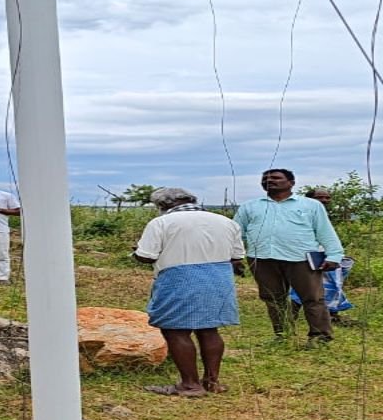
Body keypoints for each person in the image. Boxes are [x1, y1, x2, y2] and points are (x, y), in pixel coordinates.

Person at [133, 187, 245, 397]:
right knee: (210, 329)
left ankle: (190, 385)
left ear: (163, 205)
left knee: (176, 330)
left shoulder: (161, 222)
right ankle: (212, 381)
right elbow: (236, 256)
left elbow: (146, 256)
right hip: (218, 276)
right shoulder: (225, 221)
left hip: (179, 277)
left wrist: (136, 252)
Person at [233, 169, 344, 346]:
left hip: (301, 259)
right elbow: (236, 233)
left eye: (276, 178)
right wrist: (235, 256)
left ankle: (320, 337)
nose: (270, 180)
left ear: (291, 183)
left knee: (312, 298)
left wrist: (334, 255)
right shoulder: (250, 206)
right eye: (266, 178)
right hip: (262, 259)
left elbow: (325, 231)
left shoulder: (310, 205)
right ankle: (283, 335)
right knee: (273, 298)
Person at [290, 187, 356, 326]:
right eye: (320, 197)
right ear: (309, 199)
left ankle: (332, 315)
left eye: (327, 197)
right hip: (306, 256)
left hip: (325, 256)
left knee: (332, 285)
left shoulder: (323, 214)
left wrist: (336, 255)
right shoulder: (301, 214)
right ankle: (290, 317)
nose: (324, 200)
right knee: (303, 287)